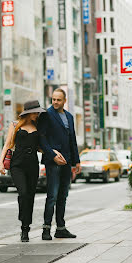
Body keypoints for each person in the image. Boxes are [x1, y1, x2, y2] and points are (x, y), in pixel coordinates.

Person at [0, 100, 46, 242]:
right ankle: (23, 219)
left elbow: (41, 147)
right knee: (23, 192)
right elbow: (7, 144)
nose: (37, 114)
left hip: (32, 164)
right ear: (28, 112)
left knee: (30, 196)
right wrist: (0, 163)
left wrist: (53, 152)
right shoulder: (15, 125)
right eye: (35, 111)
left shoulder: (37, 126)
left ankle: (25, 228)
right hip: (17, 164)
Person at [38, 88, 81, 240]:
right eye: (53, 99)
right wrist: (52, 155)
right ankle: (46, 229)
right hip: (53, 162)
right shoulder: (46, 115)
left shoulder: (69, 116)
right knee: (52, 196)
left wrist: (76, 161)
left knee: (63, 195)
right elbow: (41, 139)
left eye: (58, 100)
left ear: (64, 101)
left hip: (67, 161)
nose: (55, 102)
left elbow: (72, 140)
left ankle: (60, 228)